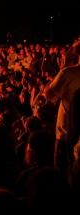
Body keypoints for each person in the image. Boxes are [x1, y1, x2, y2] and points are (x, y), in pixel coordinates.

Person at [44, 41, 80, 171]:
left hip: (67, 133)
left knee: (62, 174)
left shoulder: (68, 73)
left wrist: (62, 68)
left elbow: (49, 95)